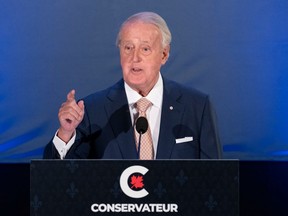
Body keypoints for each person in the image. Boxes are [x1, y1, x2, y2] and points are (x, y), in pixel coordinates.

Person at [43, 11, 222, 159]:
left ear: (164, 55)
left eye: (145, 49)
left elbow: (216, 180)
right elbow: (58, 180)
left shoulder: (197, 107)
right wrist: (65, 134)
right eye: (128, 48)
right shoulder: (90, 111)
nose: (134, 58)